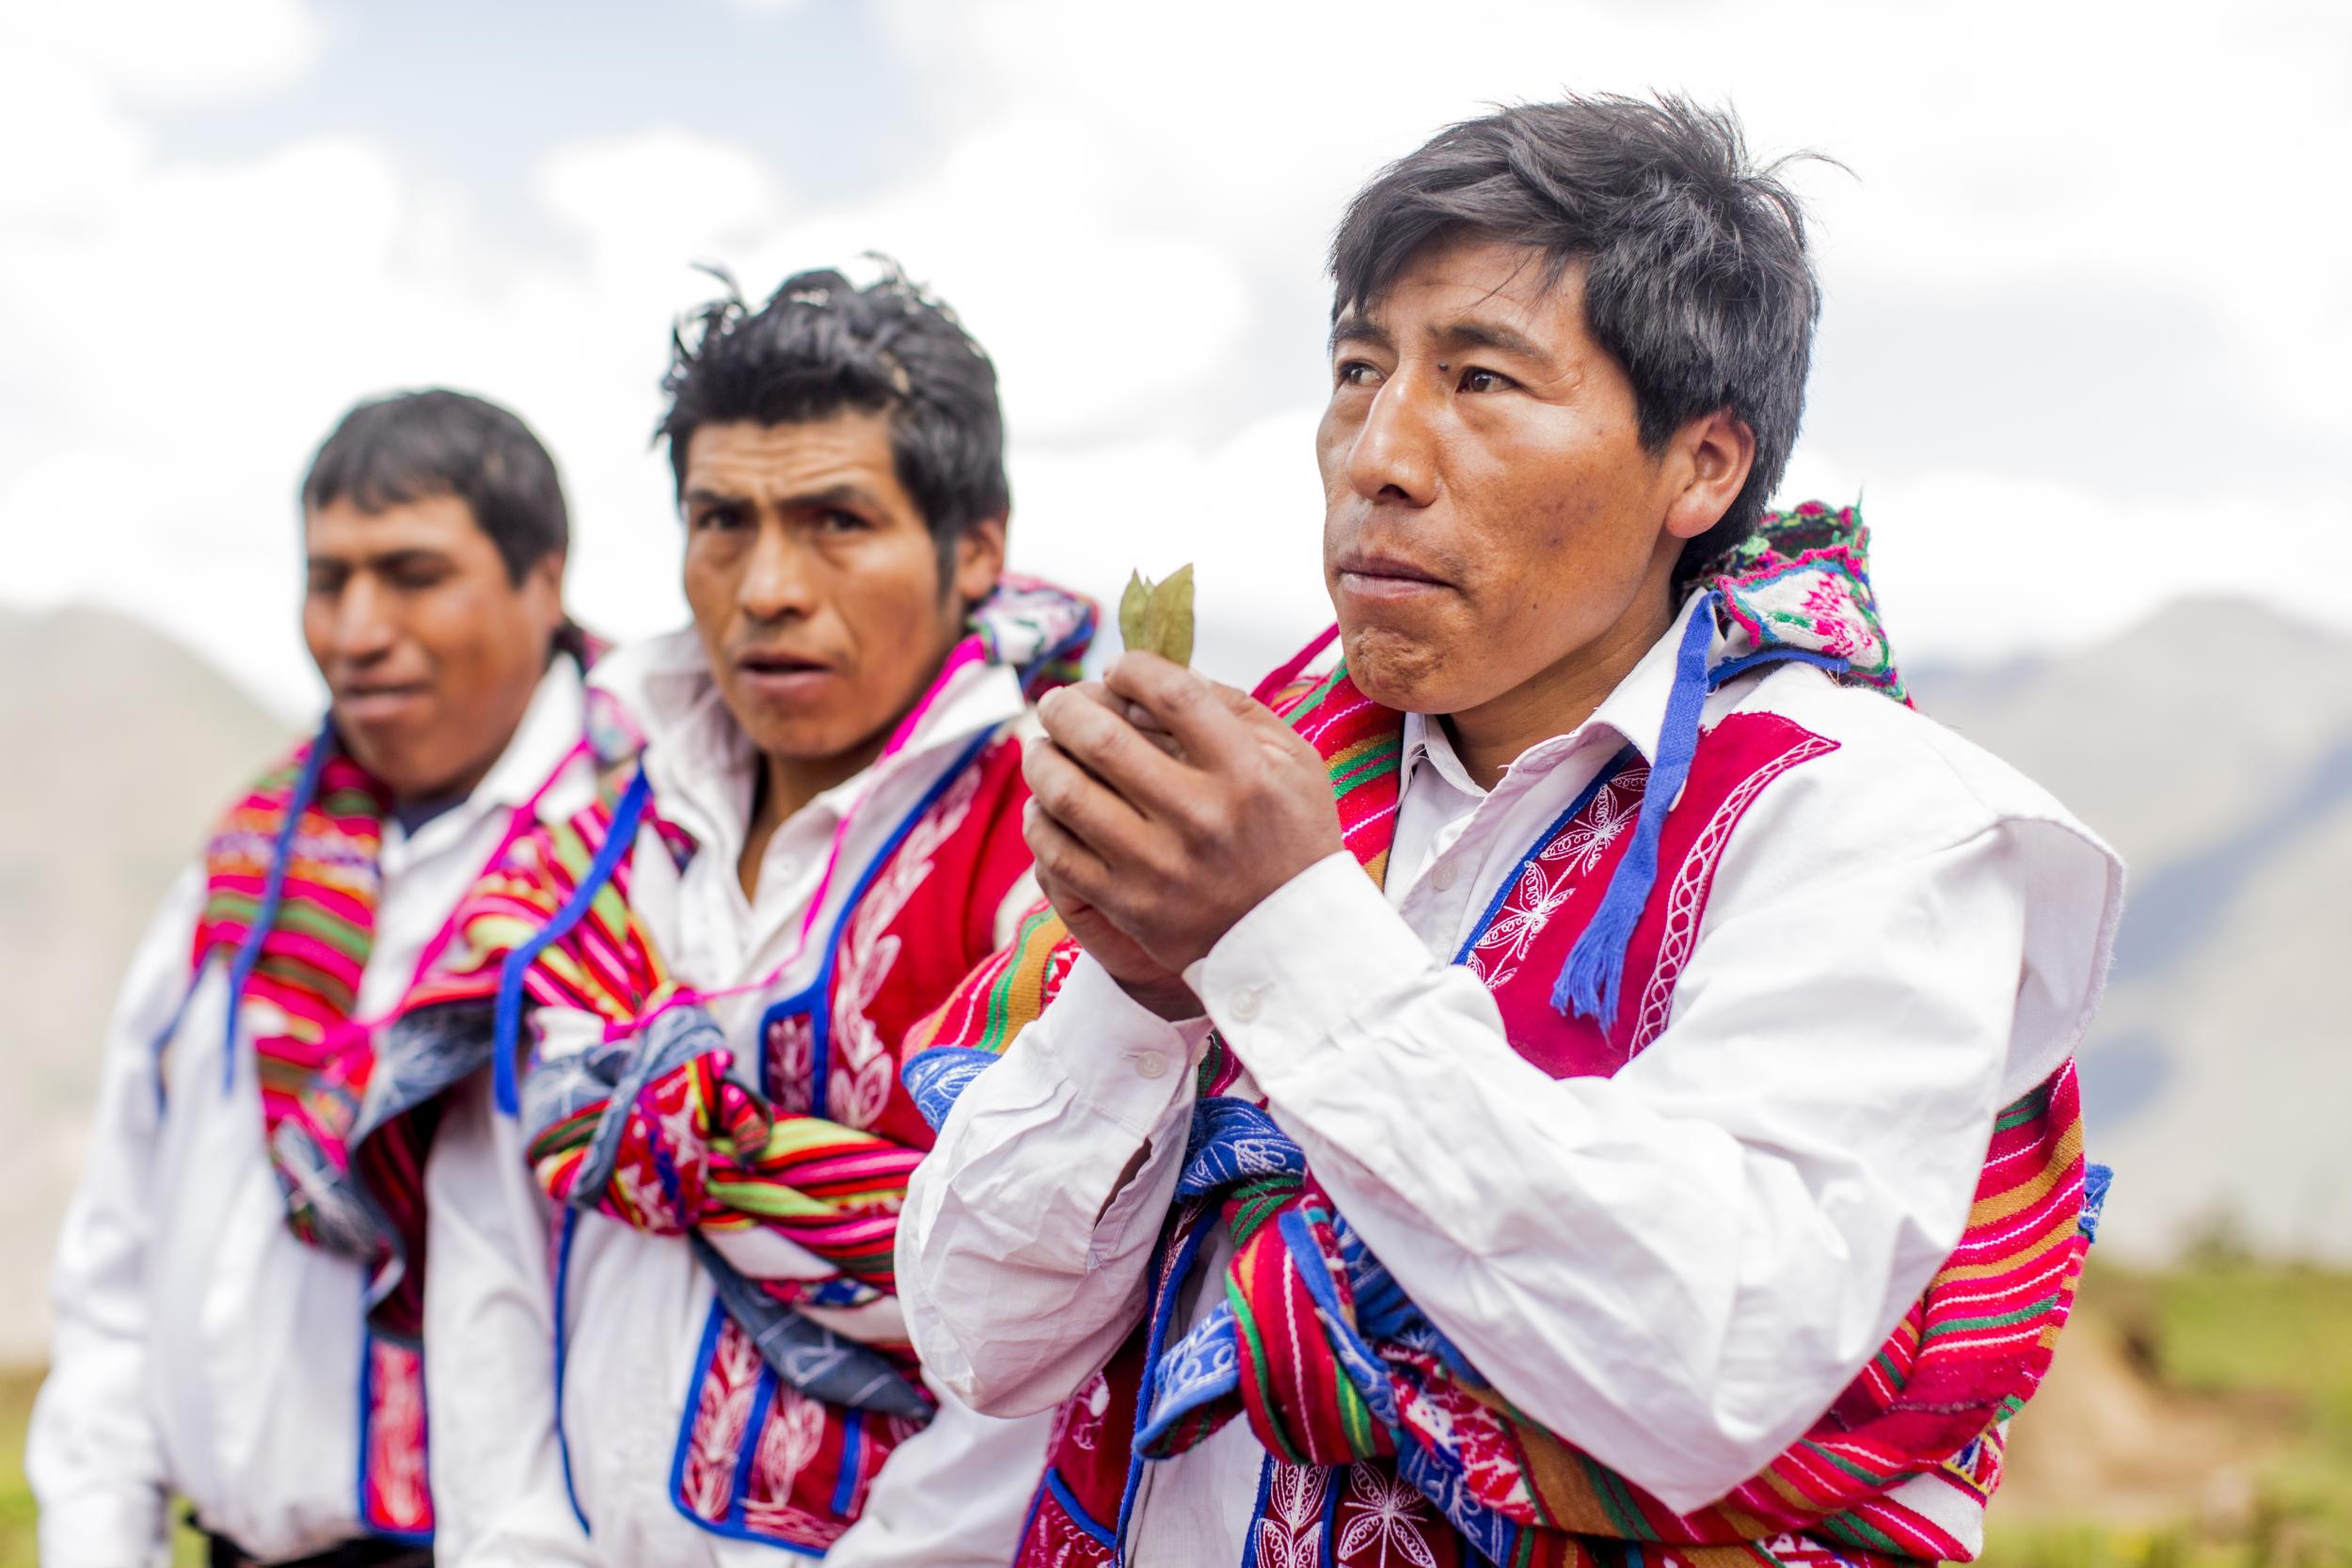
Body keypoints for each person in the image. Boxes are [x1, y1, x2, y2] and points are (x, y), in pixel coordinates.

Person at [897, 97, 2124, 1567]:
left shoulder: (1874, 823)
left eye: (1481, 378)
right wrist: (1148, 989)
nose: (1379, 454)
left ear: (1702, 467)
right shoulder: (1270, 782)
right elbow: (978, 1337)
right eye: (1358, 369)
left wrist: (1283, 932)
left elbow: (1711, 1364)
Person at [398, 263, 1086, 1565]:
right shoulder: (589, 841)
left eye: (837, 519)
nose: (767, 584)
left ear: (976, 545)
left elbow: (1062, 1311)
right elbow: (490, 1229)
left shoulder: (1062, 844)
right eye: (723, 519)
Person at [31, 389, 596, 1568]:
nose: (355, 627)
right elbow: (124, 1240)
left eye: (411, 573)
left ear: (543, 577)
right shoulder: (249, 867)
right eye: (327, 579)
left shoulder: (627, 856)